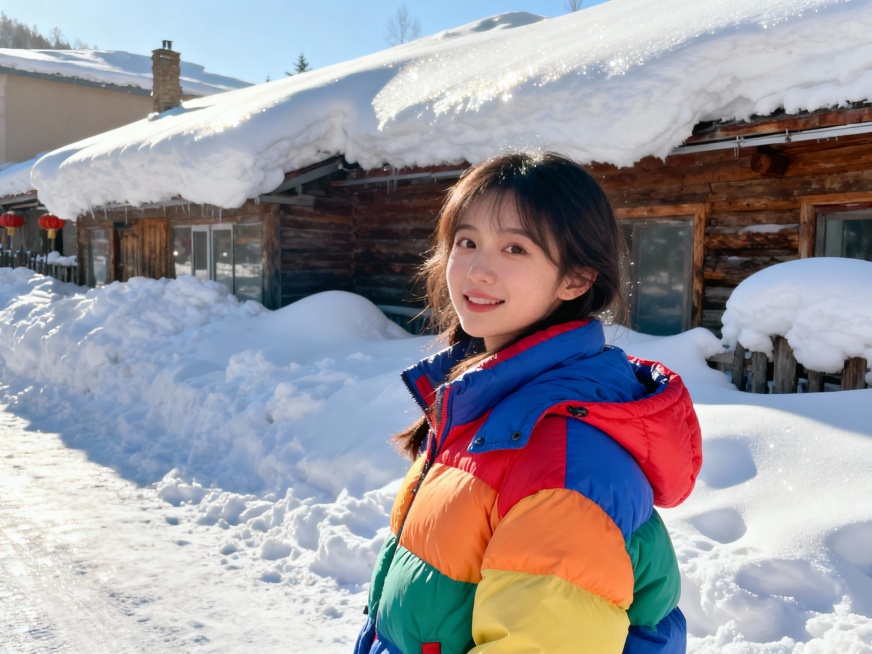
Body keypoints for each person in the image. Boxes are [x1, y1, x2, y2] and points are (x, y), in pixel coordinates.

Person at [354, 150, 702, 654]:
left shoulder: (560, 461)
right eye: (466, 241)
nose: (476, 269)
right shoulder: (483, 404)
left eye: (514, 249)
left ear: (576, 279)